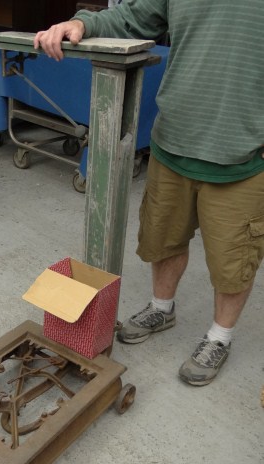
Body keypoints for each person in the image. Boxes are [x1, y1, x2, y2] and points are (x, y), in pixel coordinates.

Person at [34, 1, 264, 386]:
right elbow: (131, 16)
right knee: (163, 237)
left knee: (233, 258)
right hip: (173, 140)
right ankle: (162, 307)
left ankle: (219, 337)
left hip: (241, 154)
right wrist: (80, 23)